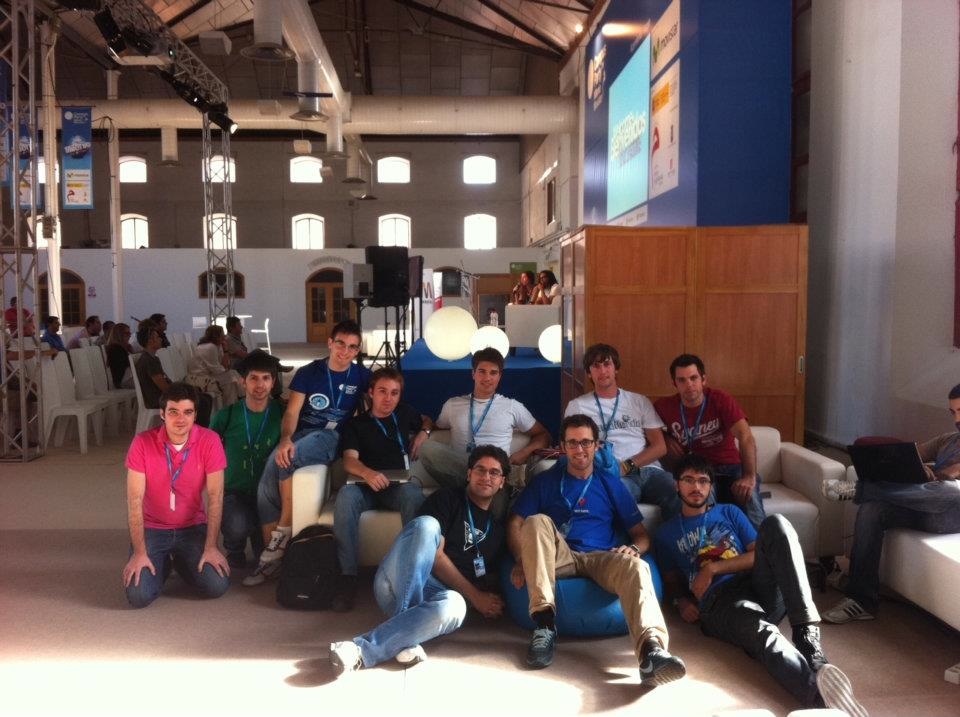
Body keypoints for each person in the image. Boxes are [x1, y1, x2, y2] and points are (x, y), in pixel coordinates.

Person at [655, 453, 866, 716]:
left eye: (703, 481)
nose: (696, 487)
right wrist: (681, 602)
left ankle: (806, 635)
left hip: (757, 583)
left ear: (710, 487)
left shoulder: (728, 512)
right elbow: (670, 581)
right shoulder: (665, 533)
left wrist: (713, 568)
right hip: (719, 602)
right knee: (765, 635)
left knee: (777, 523)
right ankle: (824, 702)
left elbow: (758, 554)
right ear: (676, 485)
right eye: (688, 480)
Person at [507, 414, 686, 686]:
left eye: (586, 442)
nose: (579, 449)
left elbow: (641, 535)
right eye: (573, 443)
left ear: (596, 445)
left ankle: (651, 652)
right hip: (560, 556)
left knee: (638, 566)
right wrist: (522, 559)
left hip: (601, 556)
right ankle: (544, 625)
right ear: (563, 446)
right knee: (535, 521)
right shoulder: (545, 481)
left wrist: (634, 548)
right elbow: (515, 523)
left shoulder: (609, 482)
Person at [329, 445, 509, 674]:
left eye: (494, 472)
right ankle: (370, 646)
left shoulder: (498, 530)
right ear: (468, 473)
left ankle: (388, 642)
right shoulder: (447, 498)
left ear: (502, 482)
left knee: (456, 606)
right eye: (480, 470)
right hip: (395, 582)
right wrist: (475, 596)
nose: (486, 477)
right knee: (427, 525)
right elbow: (435, 557)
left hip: (436, 596)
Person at [244, 319, 371, 586]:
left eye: (352, 347)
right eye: (340, 344)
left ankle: (283, 531)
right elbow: (292, 412)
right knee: (268, 477)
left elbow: (383, 403)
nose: (345, 351)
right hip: (303, 434)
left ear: (357, 350)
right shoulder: (309, 372)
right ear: (330, 343)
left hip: (333, 437)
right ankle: (272, 560)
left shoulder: (361, 375)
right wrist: (285, 439)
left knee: (291, 457)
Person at [823, 383, 960, 624]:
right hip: (925, 507)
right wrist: (920, 469)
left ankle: (859, 490)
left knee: (952, 490)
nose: (957, 419)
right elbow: (909, 457)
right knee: (872, 509)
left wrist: (939, 476)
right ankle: (861, 599)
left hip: (953, 515)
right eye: (953, 412)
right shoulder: (948, 440)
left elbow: (950, 480)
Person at [332, 367, 434, 611]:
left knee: (413, 495)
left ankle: (416, 574)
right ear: (371, 393)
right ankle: (347, 577)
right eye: (382, 391)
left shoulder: (404, 413)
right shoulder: (356, 424)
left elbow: (428, 420)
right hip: (364, 486)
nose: (388, 398)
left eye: (394, 393)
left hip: (396, 487)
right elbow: (349, 461)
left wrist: (423, 433)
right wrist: (368, 474)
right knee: (345, 496)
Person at [122, 382, 230, 608]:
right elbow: (134, 501)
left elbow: (216, 496)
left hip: (192, 527)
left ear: (195, 415)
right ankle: (163, 563)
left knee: (216, 586)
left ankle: (180, 561)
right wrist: (139, 553)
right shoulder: (142, 443)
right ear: (162, 414)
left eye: (187, 412)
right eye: (173, 412)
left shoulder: (210, 440)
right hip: (153, 528)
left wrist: (211, 547)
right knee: (139, 596)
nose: (181, 419)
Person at [564, 343, 680, 520]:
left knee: (677, 490)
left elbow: (660, 447)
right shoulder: (577, 406)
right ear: (588, 373)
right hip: (612, 476)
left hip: (649, 471)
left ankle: (678, 538)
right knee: (615, 499)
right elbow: (571, 447)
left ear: (616, 368)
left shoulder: (639, 401)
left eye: (607, 364)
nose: (602, 371)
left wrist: (627, 466)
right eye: (596, 366)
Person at [654, 354, 766, 529]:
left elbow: (745, 437)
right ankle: (712, 545)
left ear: (703, 380)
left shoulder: (720, 399)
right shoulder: (664, 406)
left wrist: (749, 477)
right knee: (703, 501)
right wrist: (665, 437)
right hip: (698, 471)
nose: (689, 384)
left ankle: (763, 543)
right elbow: (645, 429)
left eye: (693, 378)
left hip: (731, 467)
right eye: (682, 380)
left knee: (750, 496)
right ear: (674, 383)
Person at [419, 347, 550, 494]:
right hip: (463, 470)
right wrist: (425, 430)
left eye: (493, 373)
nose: (487, 378)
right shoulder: (452, 405)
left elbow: (544, 435)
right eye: (482, 371)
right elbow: (435, 426)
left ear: (500, 376)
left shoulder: (512, 406)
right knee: (427, 448)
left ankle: (471, 492)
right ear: (473, 374)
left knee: (491, 478)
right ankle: (471, 488)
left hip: (495, 476)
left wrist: (524, 452)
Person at [209, 352, 283, 569]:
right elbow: (206, 451)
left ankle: (257, 535)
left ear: (273, 382)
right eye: (253, 378)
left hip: (269, 494)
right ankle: (234, 548)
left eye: (266, 378)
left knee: (264, 555)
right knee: (237, 525)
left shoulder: (283, 414)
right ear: (243, 382)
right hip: (235, 491)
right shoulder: (226, 415)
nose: (260, 385)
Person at [136, 323, 212, 426]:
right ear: (150, 341)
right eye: (157, 337)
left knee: (206, 397)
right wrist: (183, 392)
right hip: (158, 398)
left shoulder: (152, 358)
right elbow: (163, 387)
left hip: (162, 395)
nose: (160, 339)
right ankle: (196, 431)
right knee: (202, 401)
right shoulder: (149, 361)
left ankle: (198, 430)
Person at [185, 325, 243, 406]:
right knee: (230, 379)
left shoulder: (217, 346)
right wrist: (226, 369)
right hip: (199, 378)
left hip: (208, 375)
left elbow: (225, 365)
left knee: (233, 374)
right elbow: (216, 369)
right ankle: (237, 401)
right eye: (222, 334)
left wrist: (226, 350)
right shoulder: (210, 347)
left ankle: (235, 403)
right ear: (216, 336)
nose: (224, 336)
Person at [104, 322, 134, 389]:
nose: (130, 335)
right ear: (119, 335)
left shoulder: (120, 347)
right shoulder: (115, 349)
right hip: (122, 380)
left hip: (125, 377)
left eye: (130, 333)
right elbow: (129, 364)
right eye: (127, 333)